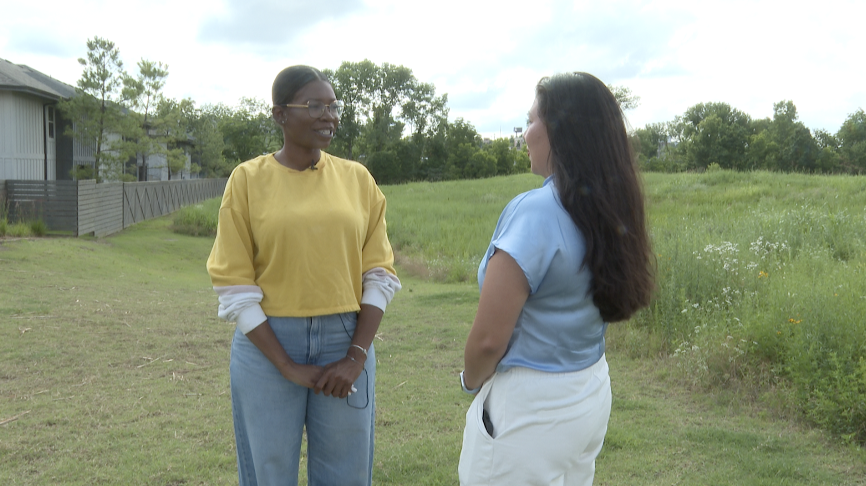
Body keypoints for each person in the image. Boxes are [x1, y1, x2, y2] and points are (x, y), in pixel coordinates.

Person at [206, 65, 401, 486]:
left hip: (347, 341)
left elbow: (379, 274)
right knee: (269, 473)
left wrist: (355, 357)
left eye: (333, 106)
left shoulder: (357, 180)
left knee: (346, 475)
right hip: (267, 345)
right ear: (279, 114)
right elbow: (234, 283)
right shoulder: (247, 180)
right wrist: (285, 364)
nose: (327, 116)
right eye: (313, 105)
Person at [458, 72, 654, 486]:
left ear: (561, 132)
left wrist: (470, 380)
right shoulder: (608, 207)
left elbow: (489, 340)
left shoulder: (535, 211)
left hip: (530, 409)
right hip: (590, 390)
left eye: (530, 121)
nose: (525, 134)